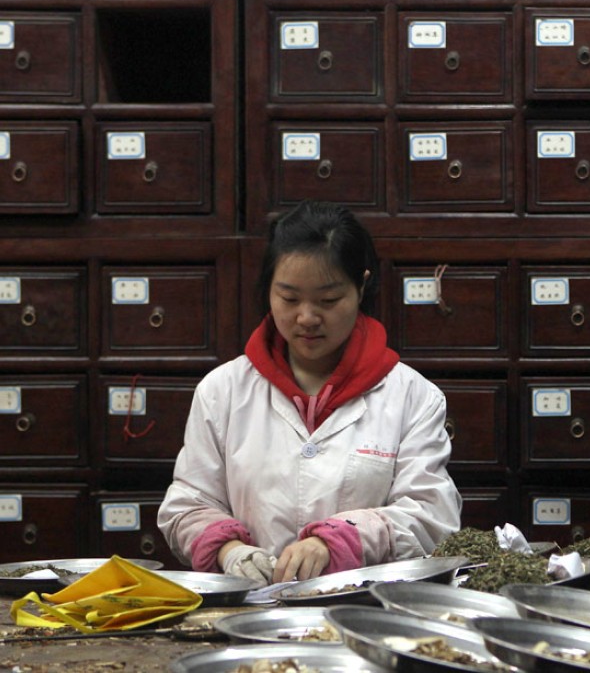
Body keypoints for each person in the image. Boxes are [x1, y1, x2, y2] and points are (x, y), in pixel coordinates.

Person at [157, 200, 462, 587]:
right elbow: (188, 504)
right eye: (289, 298)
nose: (306, 317)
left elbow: (431, 515)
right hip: (252, 607)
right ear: (268, 290)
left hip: (363, 609)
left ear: (361, 285)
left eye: (328, 300)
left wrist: (341, 539)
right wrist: (227, 548)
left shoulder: (412, 397)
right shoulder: (223, 391)